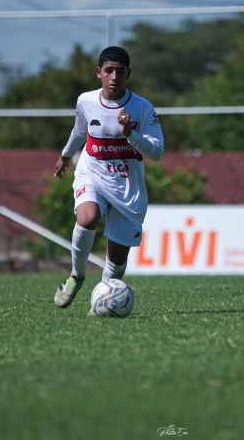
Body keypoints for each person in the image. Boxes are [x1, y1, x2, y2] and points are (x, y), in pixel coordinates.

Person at [52, 46, 164, 314]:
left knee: (116, 258)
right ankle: (77, 275)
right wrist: (66, 155)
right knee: (87, 218)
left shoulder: (141, 108)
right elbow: (80, 130)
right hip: (92, 173)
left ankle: (101, 301)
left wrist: (131, 135)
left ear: (128, 74)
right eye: (109, 71)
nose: (114, 76)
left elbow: (157, 152)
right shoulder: (86, 101)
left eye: (120, 71)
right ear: (99, 72)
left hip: (128, 188)